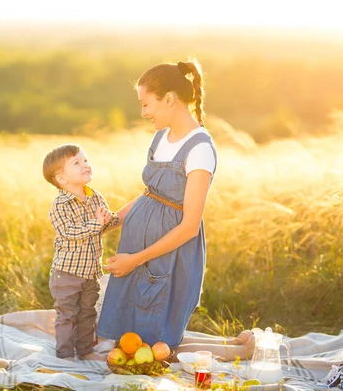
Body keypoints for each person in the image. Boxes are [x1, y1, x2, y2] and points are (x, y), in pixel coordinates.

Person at [96, 57, 221, 353]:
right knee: (125, 337)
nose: (143, 113)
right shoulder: (161, 137)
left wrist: (136, 259)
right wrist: (113, 221)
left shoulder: (200, 149)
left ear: (169, 99)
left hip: (166, 255)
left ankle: (241, 348)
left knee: (156, 343)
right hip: (136, 248)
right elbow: (150, 194)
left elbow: (189, 226)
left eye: (146, 104)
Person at [43, 144, 119, 361]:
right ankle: (65, 353)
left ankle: (85, 350)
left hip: (90, 272)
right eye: (77, 163)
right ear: (62, 179)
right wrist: (96, 223)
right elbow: (68, 231)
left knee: (88, 313)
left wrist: (109, 219)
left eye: (85, 160)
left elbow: (104, 224)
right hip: (66, 273)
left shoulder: (95, 197)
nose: (85, 164)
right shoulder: (60, 204)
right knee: (67, 314)